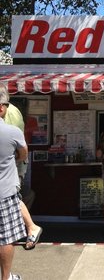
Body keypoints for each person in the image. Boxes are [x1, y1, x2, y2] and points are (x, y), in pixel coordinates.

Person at [4, 103, 42, 250]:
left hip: (11, 165)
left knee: (10, 197)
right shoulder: (15, 112)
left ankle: (30, 227)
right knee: (11, 196)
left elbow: (16, 146)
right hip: (13, 164)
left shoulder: (10, 115)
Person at [0, 86, 28, 280]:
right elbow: (23, 155)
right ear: (1, 108)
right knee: (6, 238)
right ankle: (5, 277)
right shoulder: (12, 132)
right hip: (5, 193)